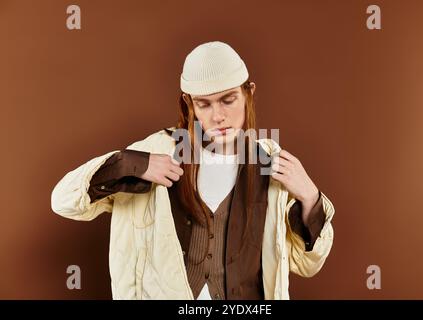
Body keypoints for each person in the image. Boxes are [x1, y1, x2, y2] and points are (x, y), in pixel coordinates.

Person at [51, 41, 335, 300]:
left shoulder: (270, 164)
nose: (218, 116)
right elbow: (63, 202)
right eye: (204, 104)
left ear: (249, 93)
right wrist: (132, 164)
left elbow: (306, 264)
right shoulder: (154, 152)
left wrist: (310, 198)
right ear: (188, 104)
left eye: (228, 100)